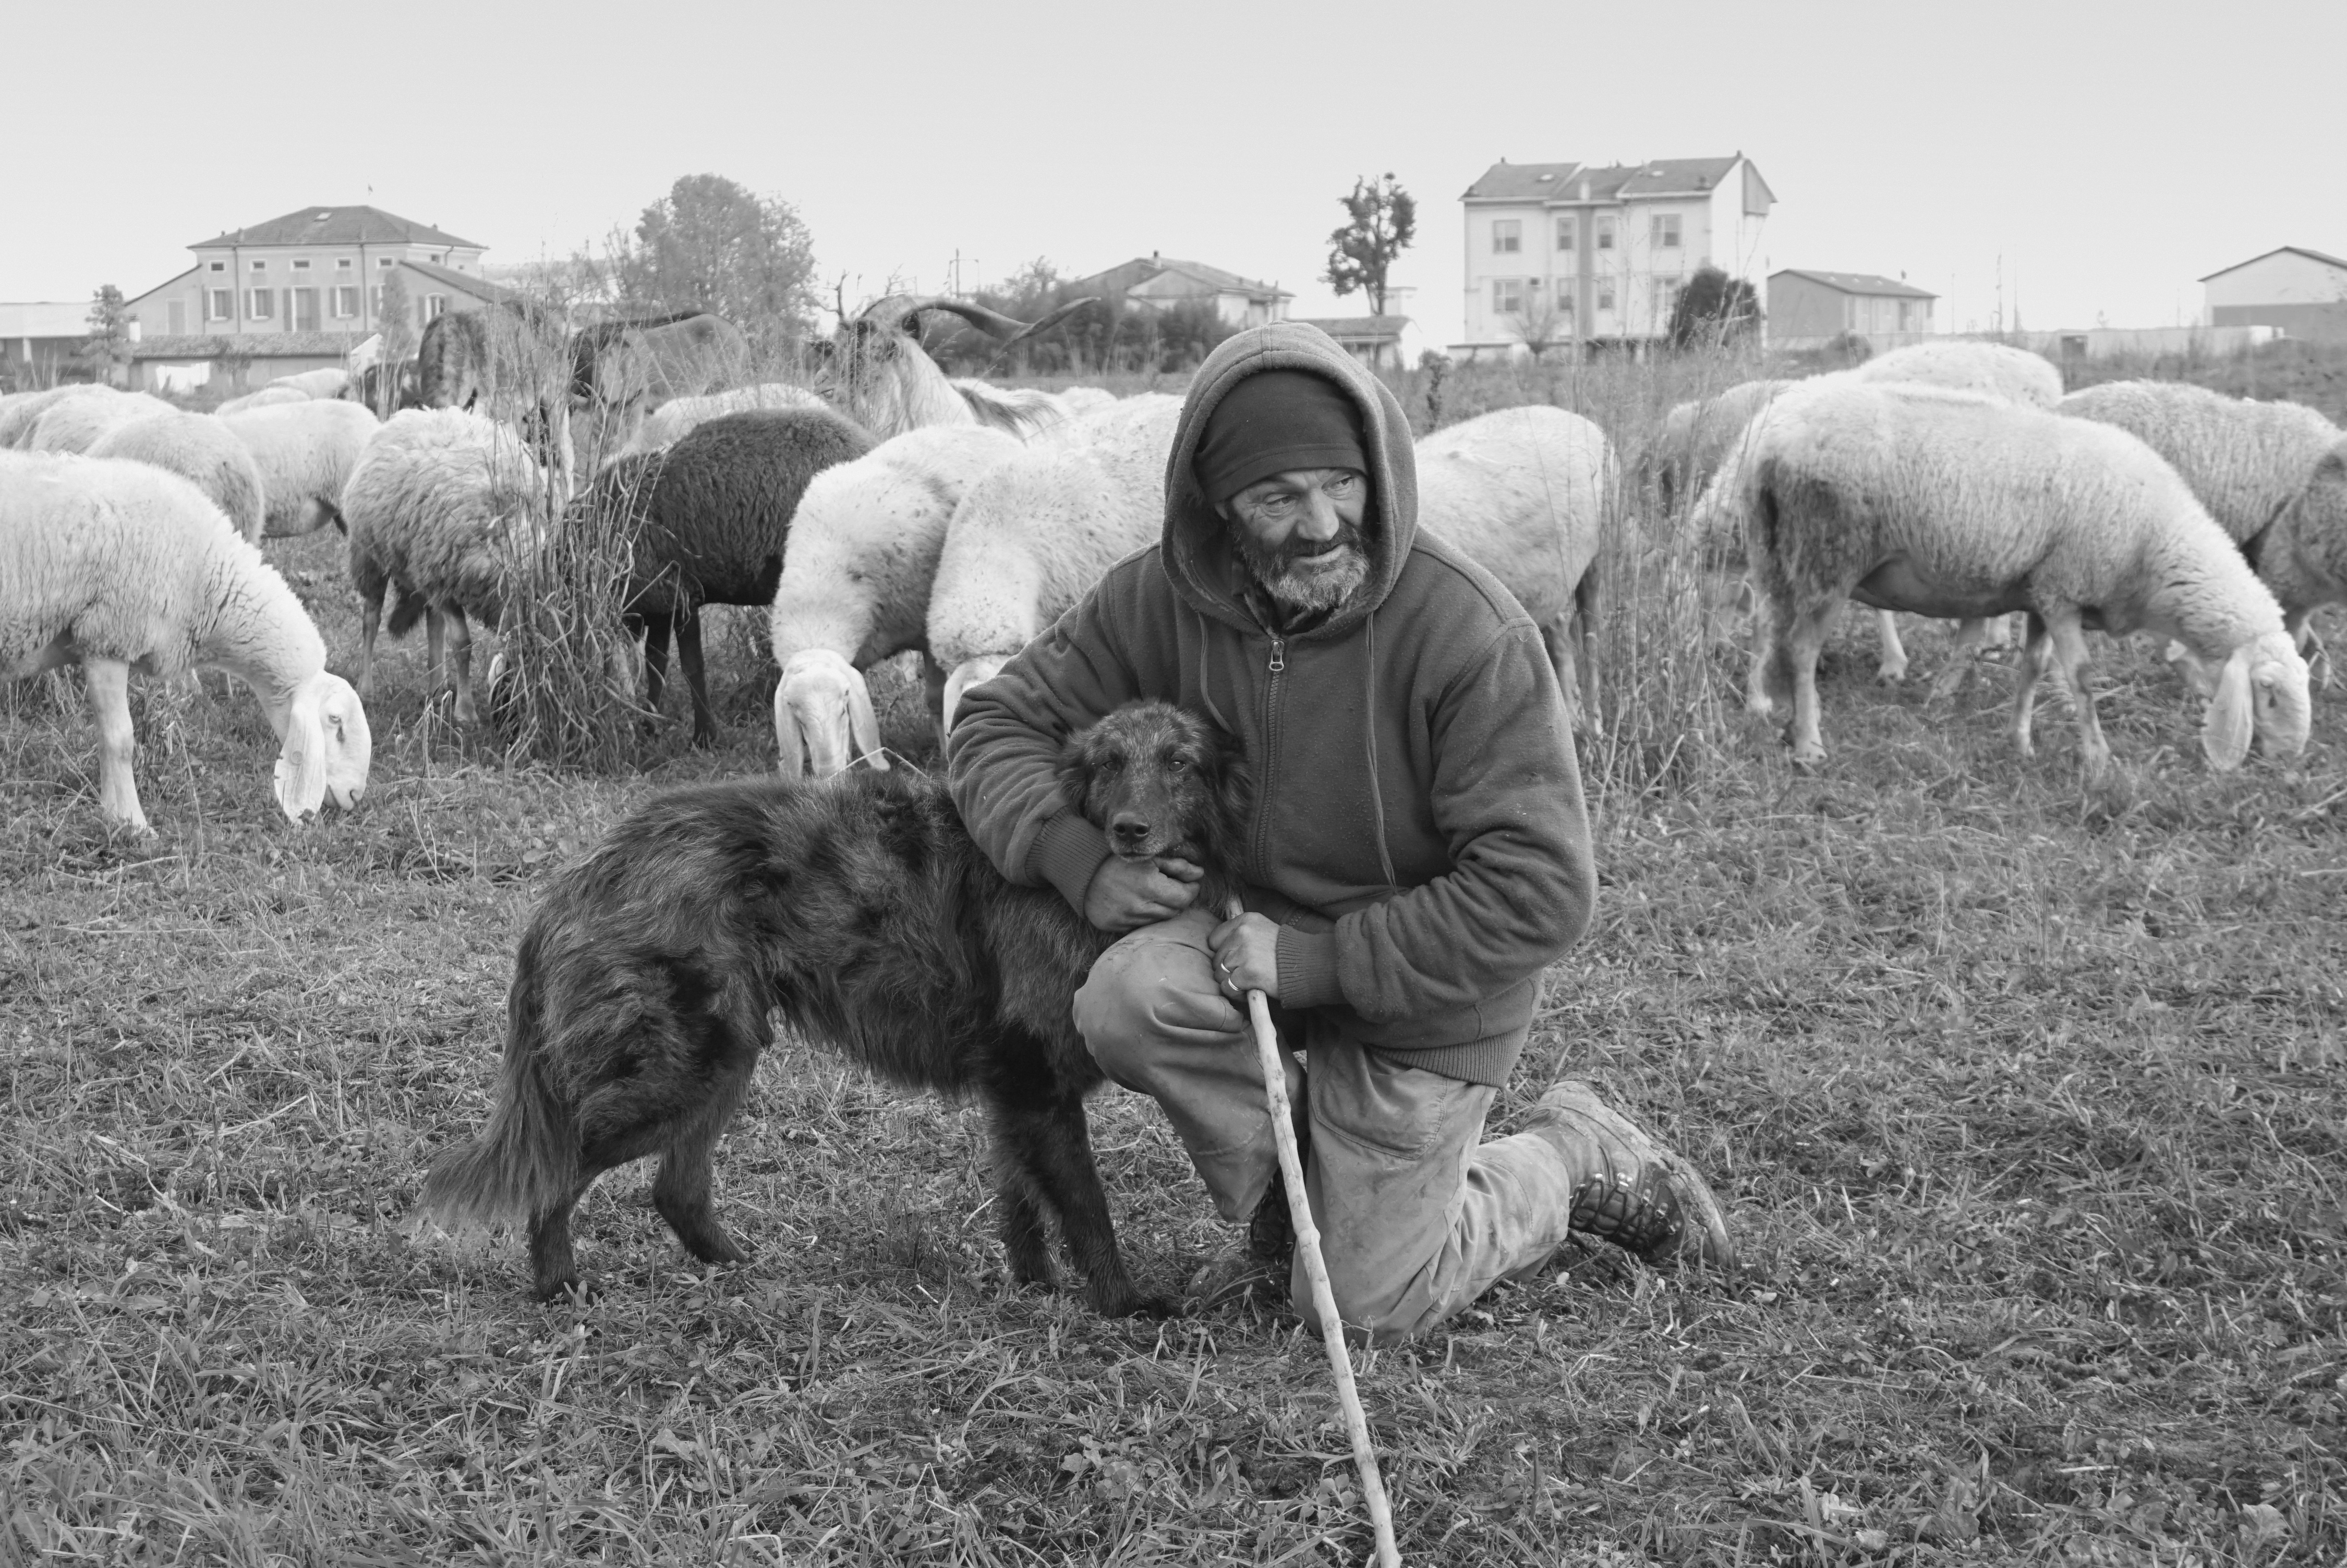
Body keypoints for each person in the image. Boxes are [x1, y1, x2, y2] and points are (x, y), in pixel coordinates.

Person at [947, 323, 1733, 1343]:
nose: (1321, 524)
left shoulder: (1466, 631)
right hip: (1252, 955)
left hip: (1423, 996)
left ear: (1380, 469)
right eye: (1277, 497)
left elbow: (1542, 889)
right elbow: (991, 723)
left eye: (1342, 483)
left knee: (1364, 1306)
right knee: (1128, 997)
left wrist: (1315, 961)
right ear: (1218, 507)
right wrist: (1074, 858)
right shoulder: (1157, 600)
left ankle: (1568, 1158)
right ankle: (1300, 1197)